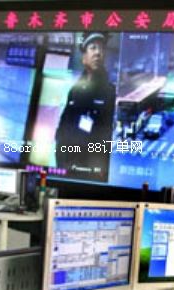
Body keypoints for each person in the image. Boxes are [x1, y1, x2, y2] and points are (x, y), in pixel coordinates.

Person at [55, 32, 116, 181]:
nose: (98, 53)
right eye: (93, 48)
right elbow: (63, 129)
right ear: (84, 57)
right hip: (69, 169)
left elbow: (108, 136)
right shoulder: (74, 91)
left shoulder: (110, 92)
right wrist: (61, 164)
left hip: (95, 173)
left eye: (101, 49)